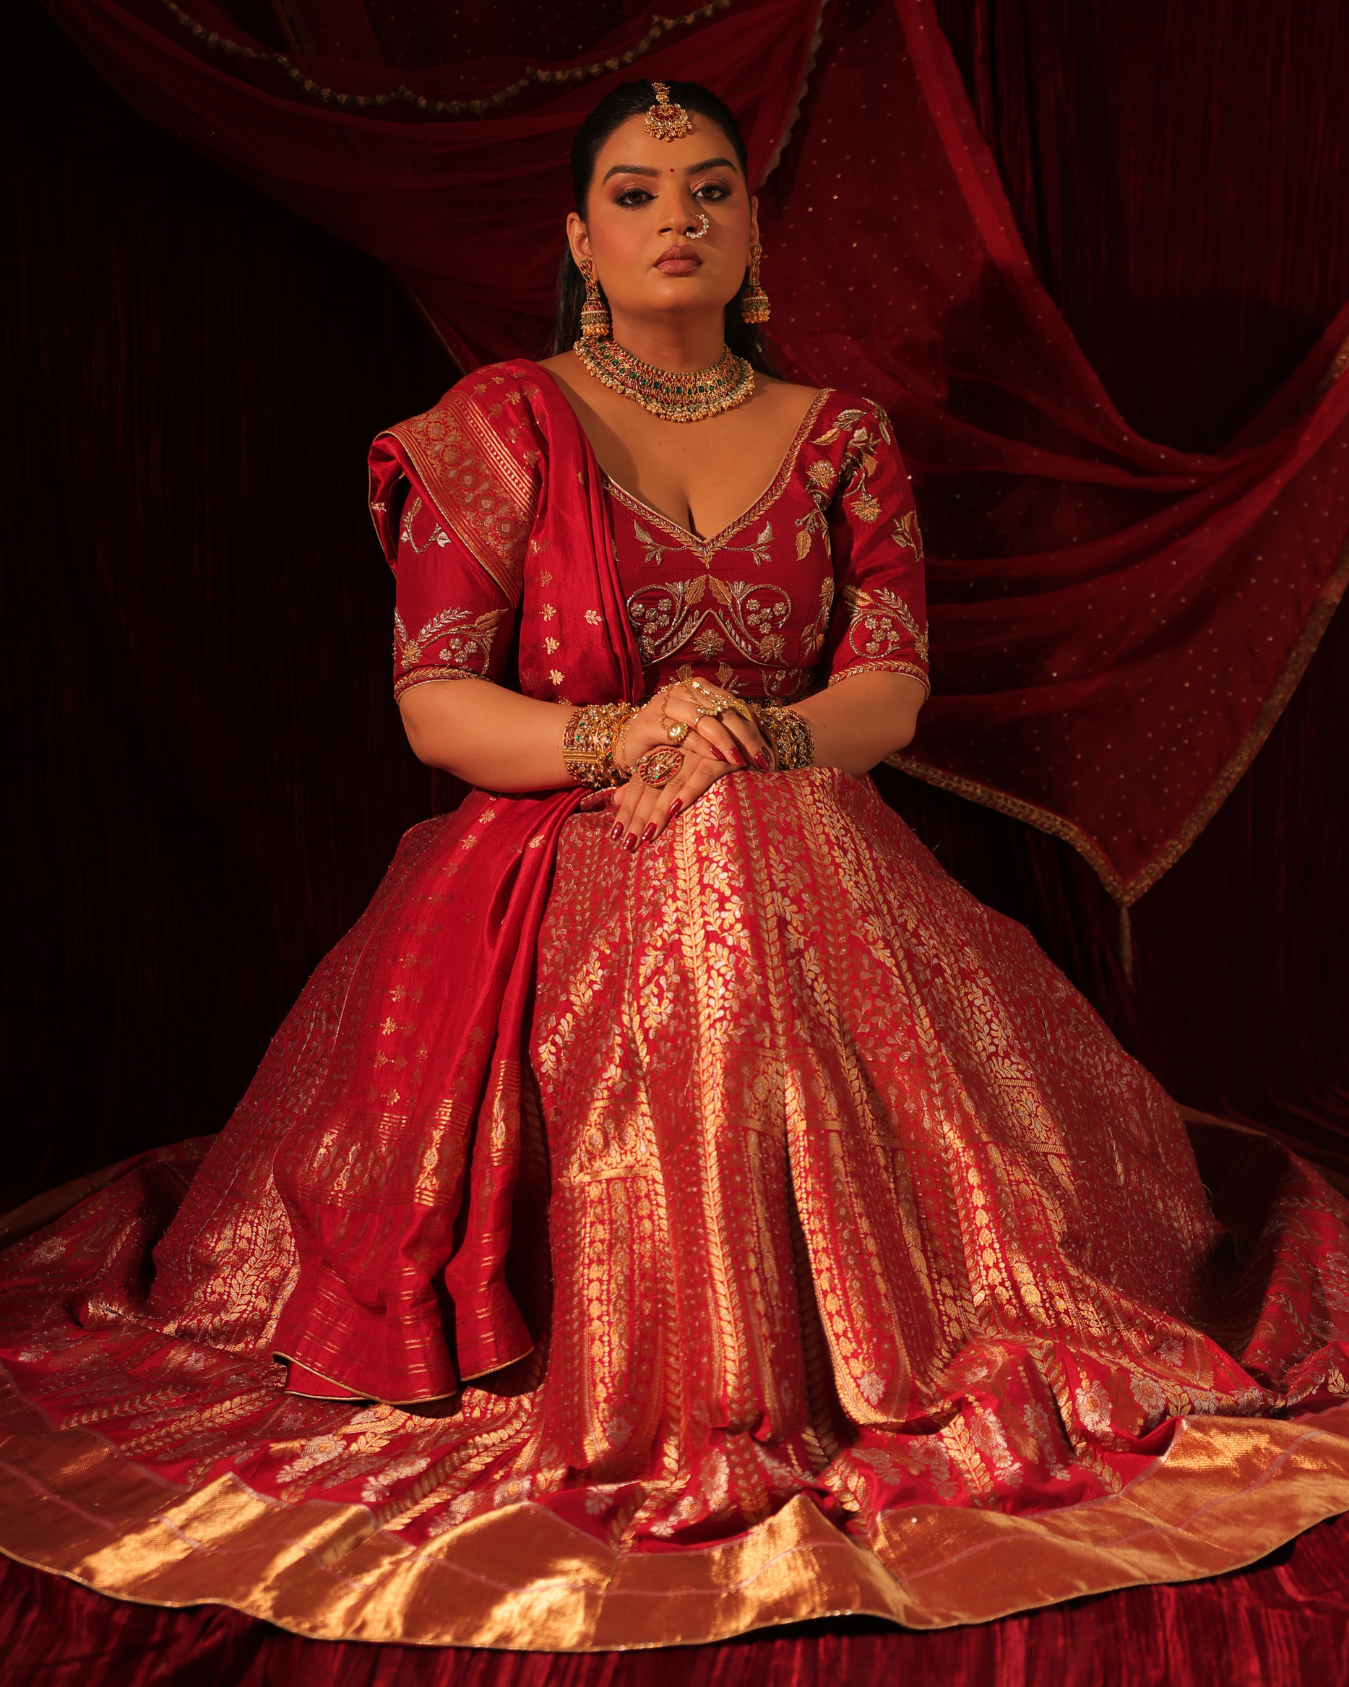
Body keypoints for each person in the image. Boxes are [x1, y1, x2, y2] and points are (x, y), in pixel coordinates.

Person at [1, 79, 1347, 1651]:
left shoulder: (842, 439)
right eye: (638, 192)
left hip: (800, 840)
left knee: (742, 836)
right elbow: (437, 704)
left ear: (755, 231)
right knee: (707, 843)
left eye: (711, 188)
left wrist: (744, 744)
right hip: (554, 857)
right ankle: (678, 1365)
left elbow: (886, 694)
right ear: (578, 237)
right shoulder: (503, 429)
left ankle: (818, 1356)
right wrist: (628, 742)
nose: (679, 217)